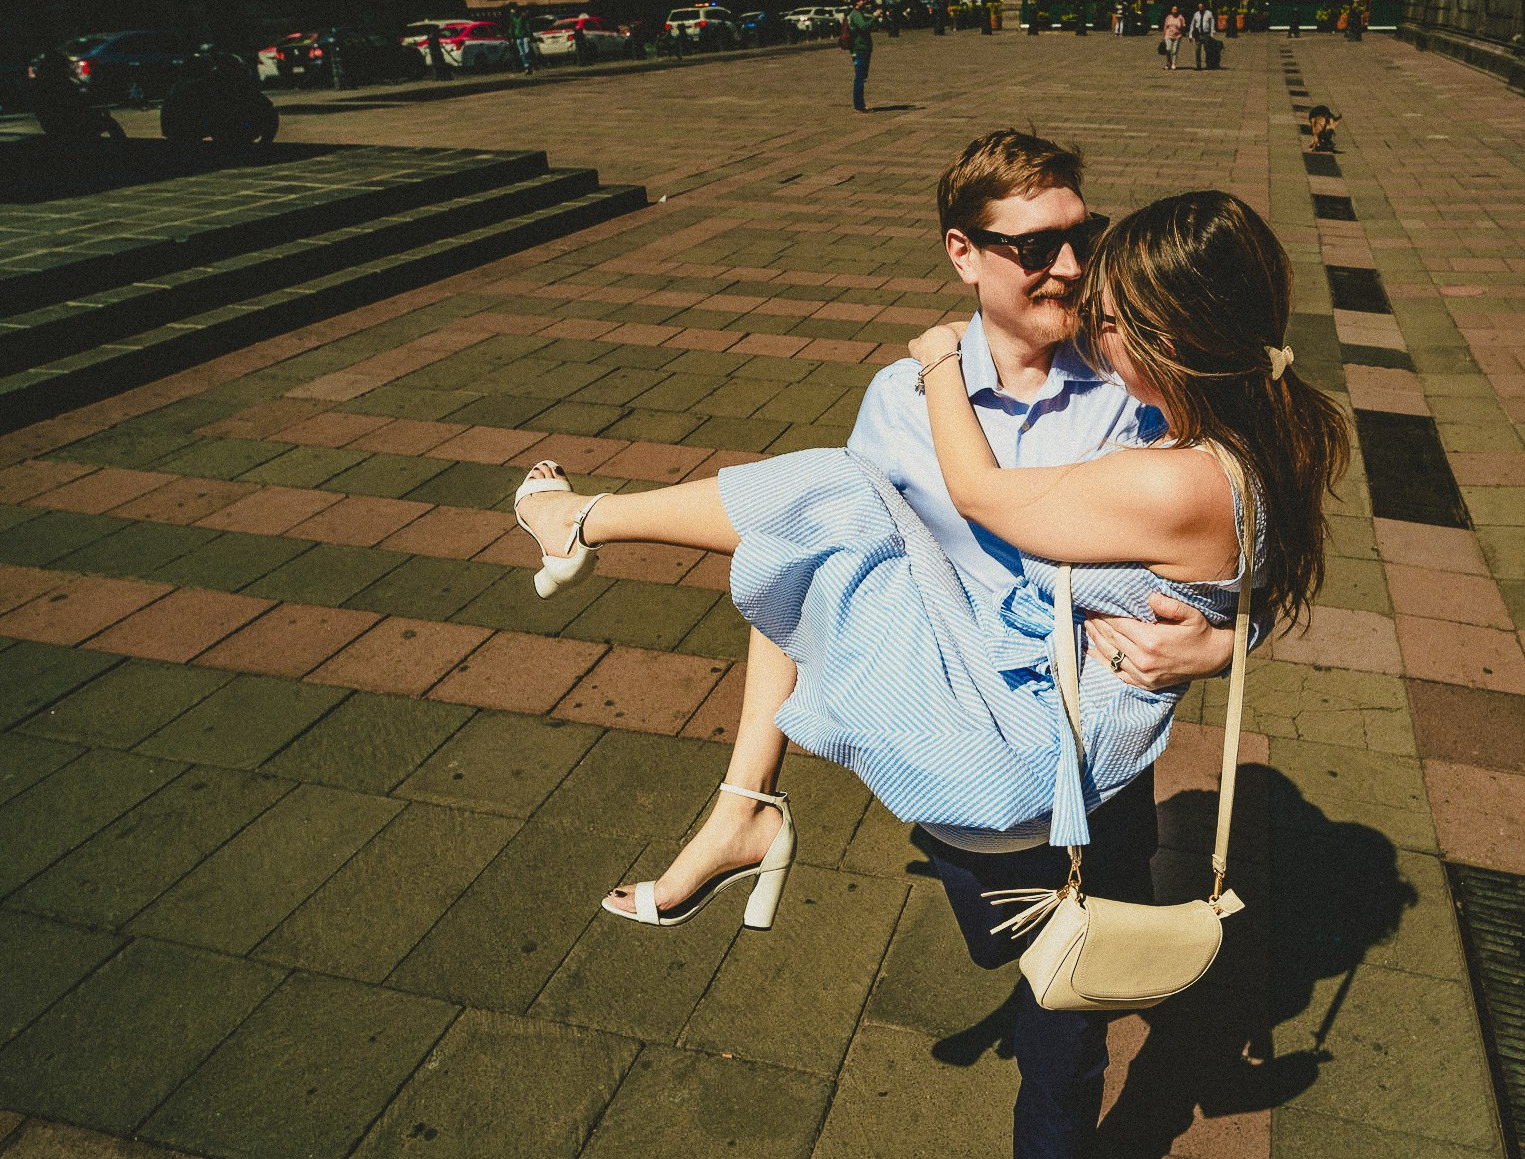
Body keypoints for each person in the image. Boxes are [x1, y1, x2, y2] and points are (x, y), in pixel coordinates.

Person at [518, 138, 1349, 1158]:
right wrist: (749, 777)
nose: (1073, 270)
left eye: (1082, 239)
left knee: (1067, 1022)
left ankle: (581, 519)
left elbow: (1233, 561)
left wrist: (1224, 646)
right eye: (1035, 244)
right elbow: (811, 583)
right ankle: (743, 815)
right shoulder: (897, 407)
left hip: (1086, 766)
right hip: (958, 732)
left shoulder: (1144, 386)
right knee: (824, 511)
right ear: (964, 254)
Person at [847, 0, 877, 111]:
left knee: (861, 76)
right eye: (862, 0)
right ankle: (859, 105)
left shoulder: (858, 14)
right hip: (860, 48)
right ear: (857, 2)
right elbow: (864, 27)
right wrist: (874, 17)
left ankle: (859, 104)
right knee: (860, 77)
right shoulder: (856, 14)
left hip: (862, 48)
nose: (864, 2)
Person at [1190, 0, 1217, 70]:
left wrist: (1212, 32)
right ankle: (1198, 66)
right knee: (1197, 50)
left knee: (1207, 50)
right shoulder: (1196, 14)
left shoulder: (1209, 13)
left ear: (1204, 7)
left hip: (1206, 34)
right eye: (1199, 7)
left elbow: (1212, 23)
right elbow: (1192, 25)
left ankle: (1208, 64)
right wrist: (1190, 35)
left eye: (1202, 7)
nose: (1200, 8)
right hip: (1198, 35)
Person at [509, 5, 536, 74]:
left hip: (524, 36)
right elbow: (511, 28)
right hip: (518, 37)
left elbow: (527, 26)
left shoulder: (522, 17)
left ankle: (530, 65)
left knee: (527, 51)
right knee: (521, 53)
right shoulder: (512, 19)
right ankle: (526, 66)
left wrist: (529, 35)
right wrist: (512, 37)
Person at [1160, 3, 1185, 71]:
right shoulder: (1168, 17)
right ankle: (1168, 62)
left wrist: (1181, 30)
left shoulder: (1180, 17)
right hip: (1168, 35)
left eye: (1176, 9)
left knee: (1174, 50)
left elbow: (1183, 26)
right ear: (1171, 10)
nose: (1175, 11)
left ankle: (1173, 63)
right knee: (1168, 49)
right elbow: (1165, 26)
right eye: (1173, 9)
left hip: (1177, 36)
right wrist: (1164, 35)